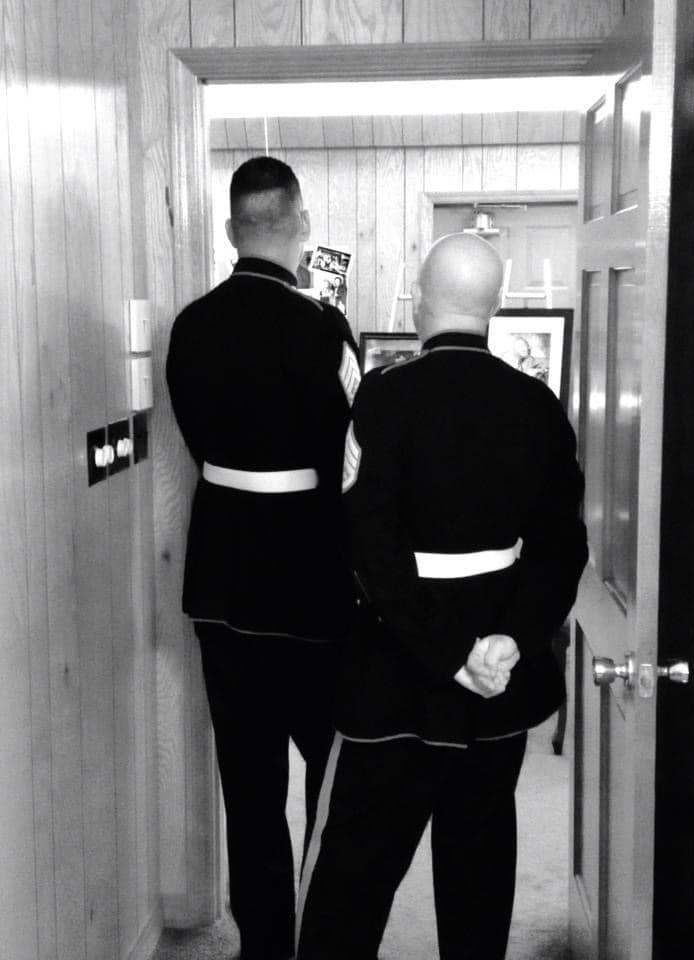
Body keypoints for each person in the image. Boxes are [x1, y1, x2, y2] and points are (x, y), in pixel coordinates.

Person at [296, 232, 588, 960]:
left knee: (350, 880)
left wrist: (449, 654)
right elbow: (562, 547)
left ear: (421, 302)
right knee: (478, 871)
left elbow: (367, 547)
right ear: (496, 306)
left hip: (394, 673)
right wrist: (509, 641)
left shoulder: (383, 395)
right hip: (498, 677)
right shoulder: (538, 405)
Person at [166, 156, 360, 960]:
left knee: (248, 787)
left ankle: (264, 945)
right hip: (311, 586)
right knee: (331, 776)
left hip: (222, 579)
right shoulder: (323, 329)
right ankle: (323, 934)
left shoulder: (191, 326)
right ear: (303, 226)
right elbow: (350, 463)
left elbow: (197, 442)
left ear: (230, 229)